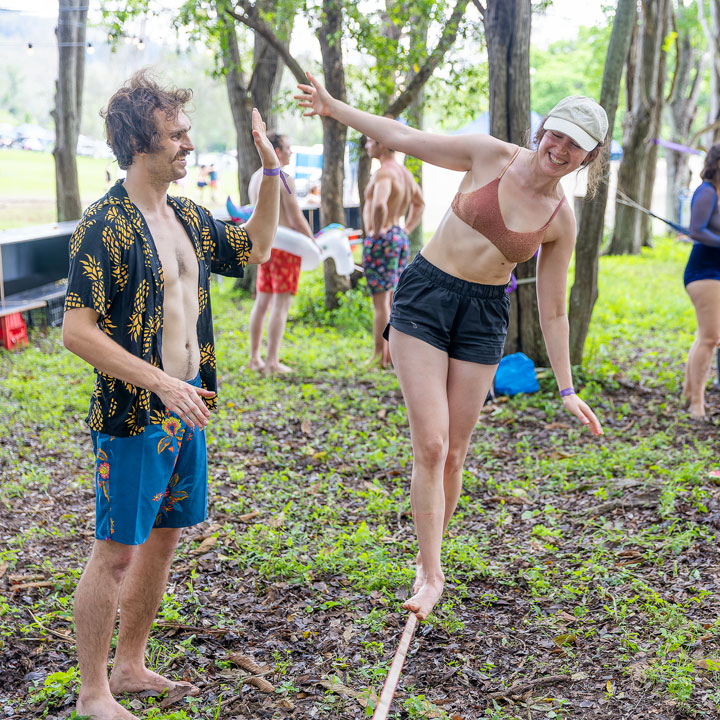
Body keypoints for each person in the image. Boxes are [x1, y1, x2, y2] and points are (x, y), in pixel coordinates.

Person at [297, 77, 605, 620]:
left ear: (589, 156)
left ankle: (426, 558)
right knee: (432, 446)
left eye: (575, 145)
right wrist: (332, 108)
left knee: (456, 452)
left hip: (484, 316)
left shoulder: (562, 220)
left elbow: (554, 311)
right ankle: (432, 572)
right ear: (543, 129)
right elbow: (402, 134)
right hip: (425, 298)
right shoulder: (489, 155)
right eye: (556, 134)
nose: (560, 149)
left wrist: (566, 388)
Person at [62, 70, 280, 720]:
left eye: (187, 132)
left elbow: (257, 248)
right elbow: (77, 332)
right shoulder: (104, 226)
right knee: (117, 551)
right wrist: (160, 382)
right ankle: (92, 692)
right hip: (134, 416)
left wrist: (270, 174)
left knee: (162, 541)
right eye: (176, 134)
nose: (189, 143)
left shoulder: (185, 215)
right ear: (139, 143)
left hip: (189, 411)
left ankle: (129, 667)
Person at [247, 132, 316, 374]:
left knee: (262, 301)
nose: (290, 152)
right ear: (275, 151)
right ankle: (272, 361)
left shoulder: (256, 177)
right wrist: (312, 241)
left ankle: (255, 358)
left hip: (265, 248)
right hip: (286, 249)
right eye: (287, 148)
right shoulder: (284, 178)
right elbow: (296, 218)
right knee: (281, 304)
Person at [362, 135, 424, 367]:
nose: (367, 146)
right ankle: (390, 355)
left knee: (380, 303)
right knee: (391, 299)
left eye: (369, 141)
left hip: (383, 238)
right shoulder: (405, 174)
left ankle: (380, 356)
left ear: (380, 144)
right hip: (398, 236)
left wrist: (376, 232)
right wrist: (405, 228)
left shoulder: (384, 173)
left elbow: (379, 204)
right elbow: (420, 203)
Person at [683, 144, 720, 421]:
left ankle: (688, 392)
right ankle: (697, 404)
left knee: (706, 336)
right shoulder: (706, 191)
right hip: (705, 271)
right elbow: (696, 231)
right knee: (711, 338)